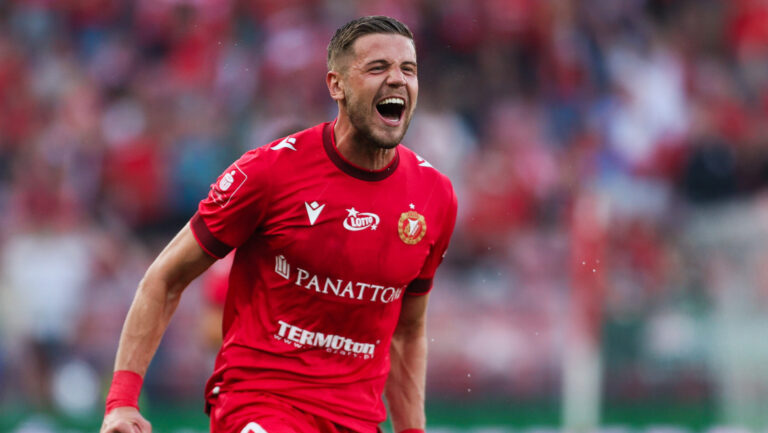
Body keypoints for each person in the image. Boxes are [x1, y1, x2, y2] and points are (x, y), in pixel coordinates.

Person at [100, 15, 457, 433]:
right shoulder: (269, 172)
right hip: (260, 405)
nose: (397, 79)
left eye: (408, 69)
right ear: (336, 85)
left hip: (356, 421)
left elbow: (406, 332)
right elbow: (165, 278)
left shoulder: (435, 196)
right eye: (378, 67)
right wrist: (121, 401)